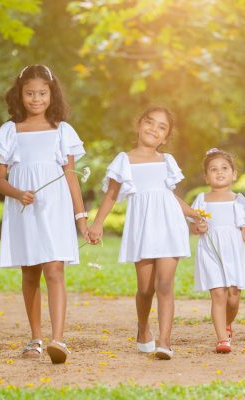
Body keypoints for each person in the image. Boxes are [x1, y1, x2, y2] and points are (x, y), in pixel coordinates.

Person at [0, 64, 89, 364]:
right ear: (19, 95)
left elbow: (71, 176)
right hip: (24, 210)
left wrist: (81, 218)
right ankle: (35, 338)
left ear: (52, 94)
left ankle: (58, 339)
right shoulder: (9, 131)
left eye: (42, 93)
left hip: (55, 210)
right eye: (30, 93)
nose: (36, 99)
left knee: (55, 270)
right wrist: (18, 193)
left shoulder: (62, 131)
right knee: (30, 273)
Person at [88, 106, 199, 360]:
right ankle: (143, 327)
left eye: (162, 127)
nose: (154, 129)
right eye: (150, 123)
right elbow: (112, 195)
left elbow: (170, 196)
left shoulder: (167, 161)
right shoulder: (124, 160)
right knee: (146, 288)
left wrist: (193, 214)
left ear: (165, 137)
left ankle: (165, 341)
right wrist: (97, 223)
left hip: (170, 224)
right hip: (144, 227)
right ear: (139, 125)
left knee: (164, 284)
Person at [190, 148, 245, 354]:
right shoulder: (201, 200)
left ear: (234, 174)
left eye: (224, 168)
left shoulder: (237, 200)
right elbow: (194, 227)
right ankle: (222, 338)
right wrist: (198, 227)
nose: (219, 172)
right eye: (213, 169)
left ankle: (227, 324)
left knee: (233, 297)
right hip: (210, 252)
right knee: (218, 295)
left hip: (233, 253)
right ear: (206, 177)